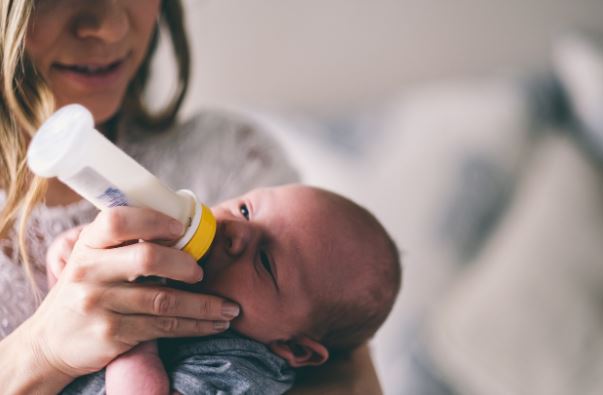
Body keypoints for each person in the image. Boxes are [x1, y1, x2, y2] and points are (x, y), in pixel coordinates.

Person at [0, 0, 383, 393]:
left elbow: (350, 375)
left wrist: (134, 342)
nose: (112, 27)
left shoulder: (231, 160)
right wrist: (43, 349)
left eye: (266, 262)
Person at [45, 184, 402, 394]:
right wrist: (70, 265)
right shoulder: (167, 263)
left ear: (293, 347)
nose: (237, 231)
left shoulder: (241, 368)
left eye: (265, 262)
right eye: (246, 209)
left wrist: (136, 339)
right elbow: (74, 323)